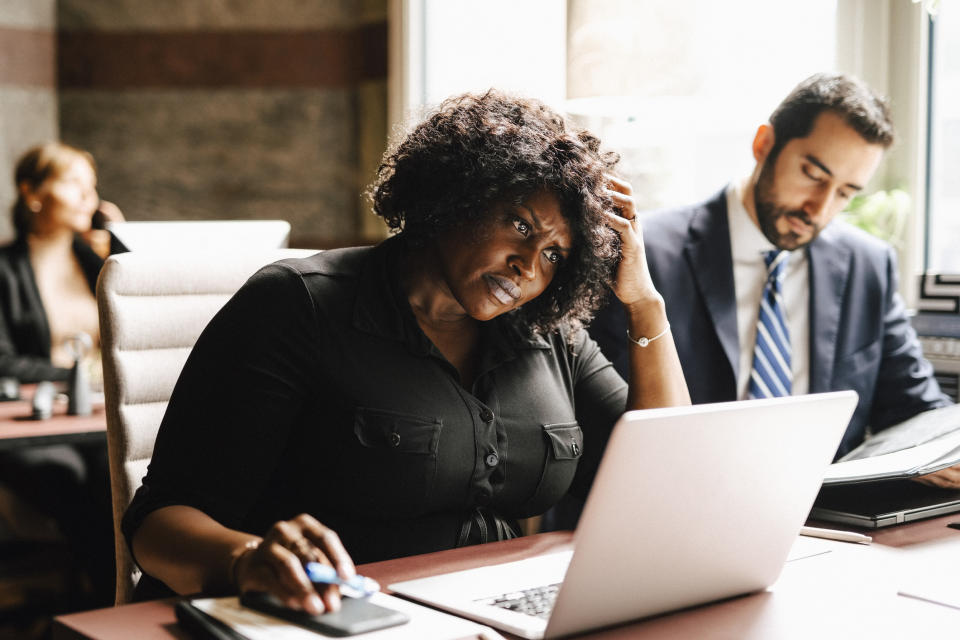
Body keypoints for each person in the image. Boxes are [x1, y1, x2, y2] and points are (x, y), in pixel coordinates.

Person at [122, 90, 690, 614]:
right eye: (520, 225)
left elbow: (669, 476)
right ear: (461, 196)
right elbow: (157, 524)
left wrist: (645, 305)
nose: (528, 266)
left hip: (489, 615)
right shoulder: (299, 308)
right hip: (333, 616)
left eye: (555, 257)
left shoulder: (549, 334)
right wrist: (246, 558)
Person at [588, 72, 955, 486]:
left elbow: (917, 411)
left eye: (845, 193)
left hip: (828, 527)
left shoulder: (868, 265)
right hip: (676, 508)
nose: (819, 208)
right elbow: (600, 426)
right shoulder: (641, 255)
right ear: (764, 144)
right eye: (814, 175)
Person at [0, 142, 127, 606]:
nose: (86, 197)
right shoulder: (5, 269)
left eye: (91, 187)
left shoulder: (102, 262)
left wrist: (123, 241)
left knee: (116, 469)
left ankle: (129, 599)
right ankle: (107, 607)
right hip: (36, 425)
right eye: (73, 183)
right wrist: (74, 376)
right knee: (70, 473)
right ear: (31, 193)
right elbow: (3, 360)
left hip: (99, 417)